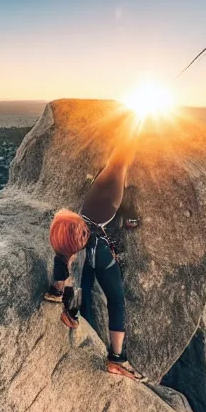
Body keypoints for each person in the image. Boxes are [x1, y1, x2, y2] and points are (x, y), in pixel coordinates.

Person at [44, 133, 146, 382]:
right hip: (96, 245)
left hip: (73, 228)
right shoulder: (115, 183)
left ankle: (60, 295)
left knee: (72, 265)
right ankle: (117, 358)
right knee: (116, 299)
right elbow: (128, 222)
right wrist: (133, 222)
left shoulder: (105, 176)